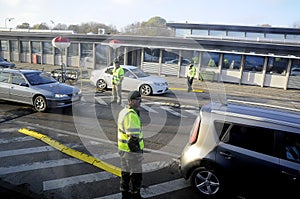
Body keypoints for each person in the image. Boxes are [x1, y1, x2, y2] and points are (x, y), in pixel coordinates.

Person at [118, 90, 144, 199]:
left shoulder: (124, 111)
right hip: (131, 151)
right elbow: (132, 139)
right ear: (131, 101)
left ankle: (125, 193)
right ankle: (135, 195)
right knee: (136, 175)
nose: (140, 102)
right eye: (138, 100)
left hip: (123, 149)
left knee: (125, 172)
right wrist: (138, 154)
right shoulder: (131, 115)